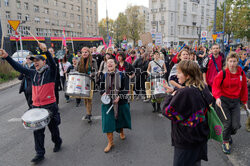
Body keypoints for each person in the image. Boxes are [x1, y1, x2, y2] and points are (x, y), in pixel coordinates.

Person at [0, 43, 62, 164]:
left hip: (50, 106)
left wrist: (46, 52)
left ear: (44, 62)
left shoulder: (51, 72)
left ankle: (57, 141)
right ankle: (39, 153)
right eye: (34, 60)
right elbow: (19, 68)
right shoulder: (33, 73)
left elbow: (53, 64)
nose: (35, 62)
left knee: (53, 128)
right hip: (36, 107)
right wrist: (6, 56)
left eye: (38, 60)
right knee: (38, 131)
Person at [163, 60, 213, 166]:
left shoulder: (185, 92)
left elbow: (168, 112)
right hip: (200, 137)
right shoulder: (202, 86)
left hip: (186, 140)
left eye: (179, 72)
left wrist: (171, 96)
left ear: (188, 75)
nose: (176, 75)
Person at [212, 52, 248, 154]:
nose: (232, 63)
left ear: (237, 61)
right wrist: (217, 97)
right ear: (227, 62)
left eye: (234, 61)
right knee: (227, 123)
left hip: (235, 101)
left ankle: (227, 134)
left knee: (235, 125)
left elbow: (244, 88)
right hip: (223, 101)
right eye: (230, 61)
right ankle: (225, 142)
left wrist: (245, 101)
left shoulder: (241, 73)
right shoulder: (222, 73)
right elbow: (215, 86)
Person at [100, 58, 131, 153]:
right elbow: (100, 88)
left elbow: (126, 88)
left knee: (120, 120)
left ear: (115, 64)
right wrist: (103, 93)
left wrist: (119, 96)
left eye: (111, 62)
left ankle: (121, 131)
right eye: (108, 62)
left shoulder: (122, 75)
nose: (109, 64)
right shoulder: (104, 76)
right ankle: (110, 142)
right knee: (108, 123)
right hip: (107, 102)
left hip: (120, 102)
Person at [77, 47, 97, 122]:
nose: (84, 54)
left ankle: (89, 114)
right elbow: (76, 70)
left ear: (89, 53)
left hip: (90, 81)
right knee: (85, 99)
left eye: (86, 52)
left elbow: (96, 71)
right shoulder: (80, 60)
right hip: (82, 81)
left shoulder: (93, 60)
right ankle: (88, 112)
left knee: (89, 98)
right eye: (83, 52)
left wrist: (92, 74)